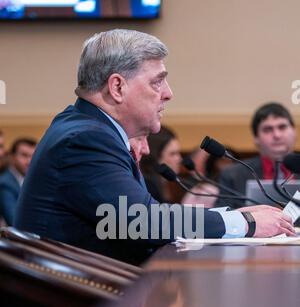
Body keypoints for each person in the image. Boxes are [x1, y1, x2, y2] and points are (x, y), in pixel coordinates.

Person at [14, 30, 295, 265]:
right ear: (117, 87)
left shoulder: (83, 126)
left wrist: (237, 216)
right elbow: (143, 222)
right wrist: (246, 224)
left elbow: (143, 215)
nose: (168, 93)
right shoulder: (85, 139)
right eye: (157, 81)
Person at [216, 103, 297, 208]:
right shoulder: (233, 175)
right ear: (256, 139)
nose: (277, 135)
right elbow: (223, 217)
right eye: (268, 129)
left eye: (282, 127)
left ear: (294, 132)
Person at [140, 126, 182, 203]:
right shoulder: (147, 187)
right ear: (156, 157)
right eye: (172, 154)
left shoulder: (165, 185)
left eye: (178, 153)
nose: (179, 159)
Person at [0, 137, 36, 225]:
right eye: (24, 155)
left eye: (33, 156)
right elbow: (14, 221)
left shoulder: (31, 179)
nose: (29, 161)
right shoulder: (5, 183)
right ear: (12, 157)